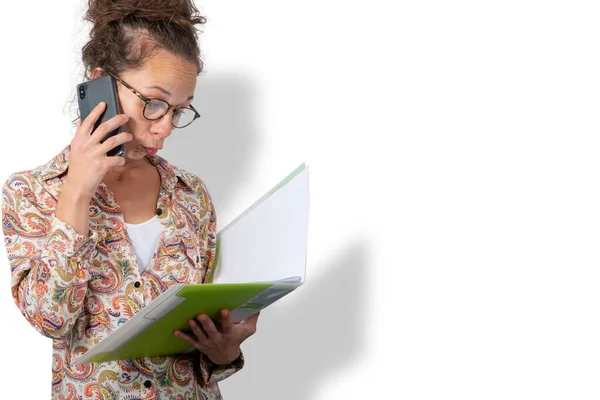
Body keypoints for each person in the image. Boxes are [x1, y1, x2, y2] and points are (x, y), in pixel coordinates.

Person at [0, 0, 259, 398]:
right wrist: (78, 191)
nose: (165, 128)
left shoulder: (190, 194)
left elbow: (205, 334)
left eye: (178, 111)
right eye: (153, 103)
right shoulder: (31, 192)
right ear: (101, 82)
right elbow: (50, 319)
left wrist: (224, 352)